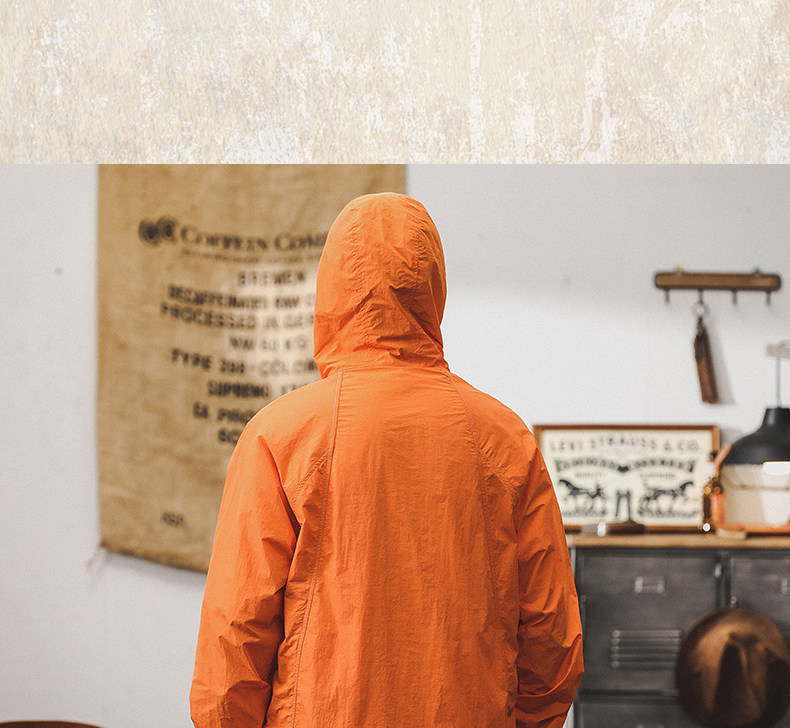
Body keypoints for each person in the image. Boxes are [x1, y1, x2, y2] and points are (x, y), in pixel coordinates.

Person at [190, 192, 584, 728]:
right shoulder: (504, 438)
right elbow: (551, 639)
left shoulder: (280, 435)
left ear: (331, 289)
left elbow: (236, 630)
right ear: (433, 288)